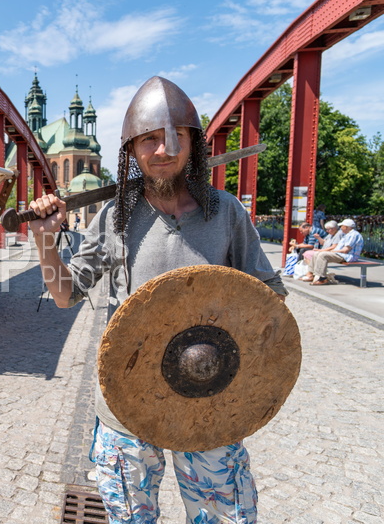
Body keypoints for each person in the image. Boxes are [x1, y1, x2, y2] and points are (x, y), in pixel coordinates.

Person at [28, 76, 287, 523]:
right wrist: (46, 244)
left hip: (211, 394)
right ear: (131, 151)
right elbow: (66, 294)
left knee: (226, 518)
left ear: (192, 144)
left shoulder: (225, 212)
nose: (161, 150)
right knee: (130, 517)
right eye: (148, 140)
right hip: (128, 399)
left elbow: (268, 304)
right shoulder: (115, 216)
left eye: (173, 137)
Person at [306, 218, 364, 286]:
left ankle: (322, 278)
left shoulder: (353, 235)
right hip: (341, 254)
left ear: (346, 227)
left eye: (341, 226)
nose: (341, 228)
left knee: (323, 255)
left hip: (347, 256)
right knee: (316, 254)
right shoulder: (347, 234)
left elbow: (345, 250)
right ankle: (312, 274)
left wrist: (333, 251)